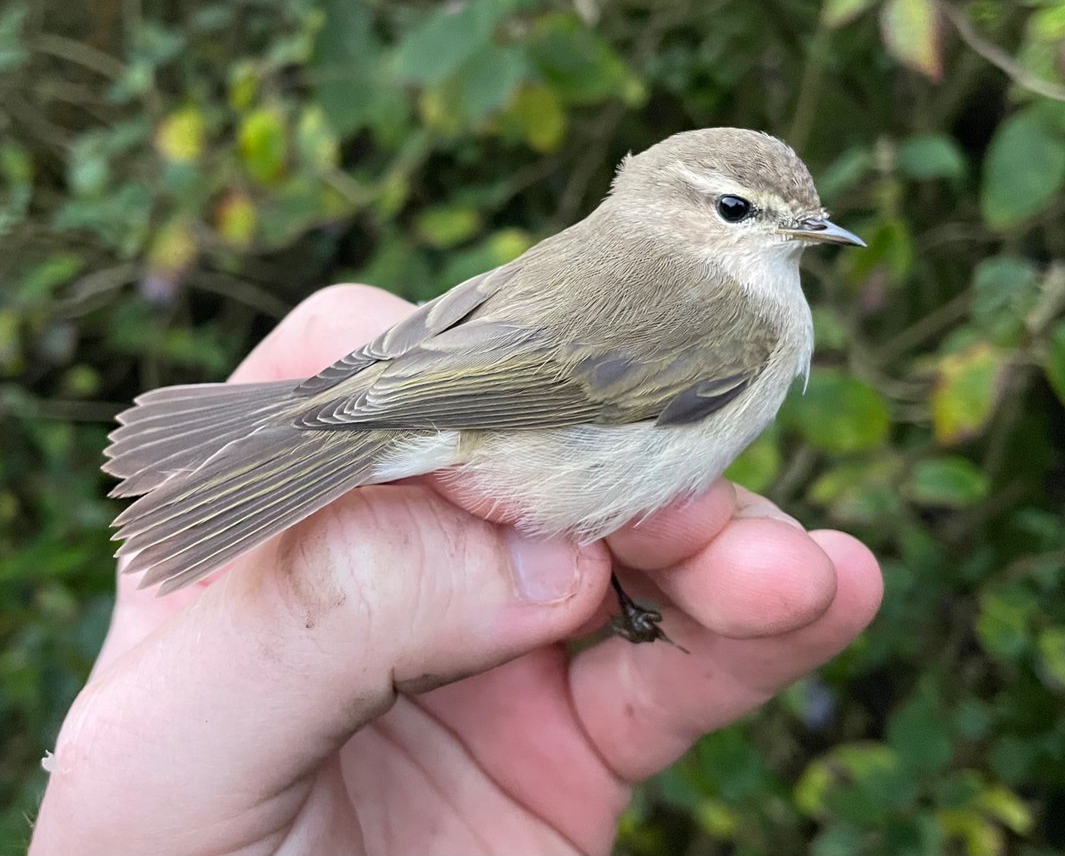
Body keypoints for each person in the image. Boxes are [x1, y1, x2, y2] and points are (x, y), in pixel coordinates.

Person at [30, 284, 883, 855]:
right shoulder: (738, 328)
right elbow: (554, 393)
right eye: (738, 210)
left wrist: (357, 394)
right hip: (496, 420)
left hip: (438, 373)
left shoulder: (703, 294)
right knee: (602, 559)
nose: (793, 234)